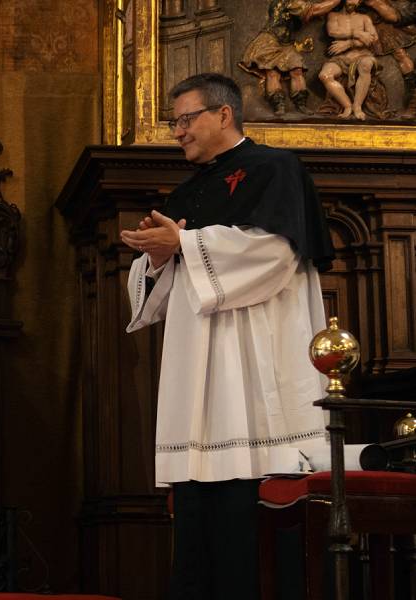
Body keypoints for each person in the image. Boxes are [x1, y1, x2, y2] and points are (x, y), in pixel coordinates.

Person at [120, 73, 335, 600]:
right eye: (174, 122)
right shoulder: (188, 190)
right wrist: (157, 257)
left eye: (186, 119)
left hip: (256, 353)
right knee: (198, 521)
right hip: (199, 372)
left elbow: (276, 255)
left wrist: (187, 243)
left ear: (223, 114)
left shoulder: (275, 169)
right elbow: (165, 295)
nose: (178, 131)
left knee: (252, 520)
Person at [319, 0, 380, 120]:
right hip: (341, 58)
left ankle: (357, 107)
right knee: (325, 75)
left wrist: (349, 43)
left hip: (362, 55)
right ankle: (347, 106)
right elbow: (332, 31)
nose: (353, 1)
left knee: (366, 65)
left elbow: (373, 38)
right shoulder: (334, 15)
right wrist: (357, 33)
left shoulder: (364, 18)